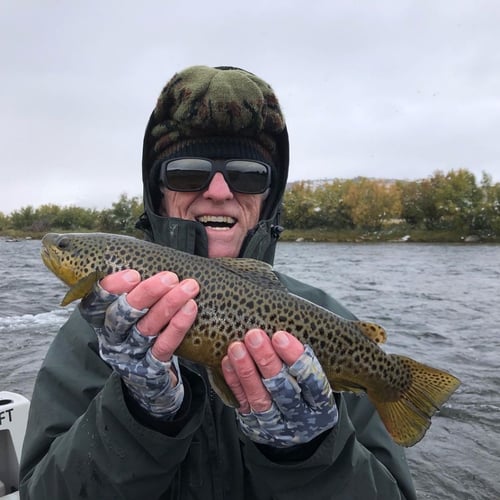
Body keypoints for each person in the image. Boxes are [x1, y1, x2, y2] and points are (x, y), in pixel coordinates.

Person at [20, 65, 417, 499]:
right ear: (159, 194)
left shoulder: (328, 319)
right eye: (188, 173)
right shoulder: (96, 336)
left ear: (269, 197)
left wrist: (310, 453)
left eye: (248, 175)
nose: (219, 190)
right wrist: (140, 414)